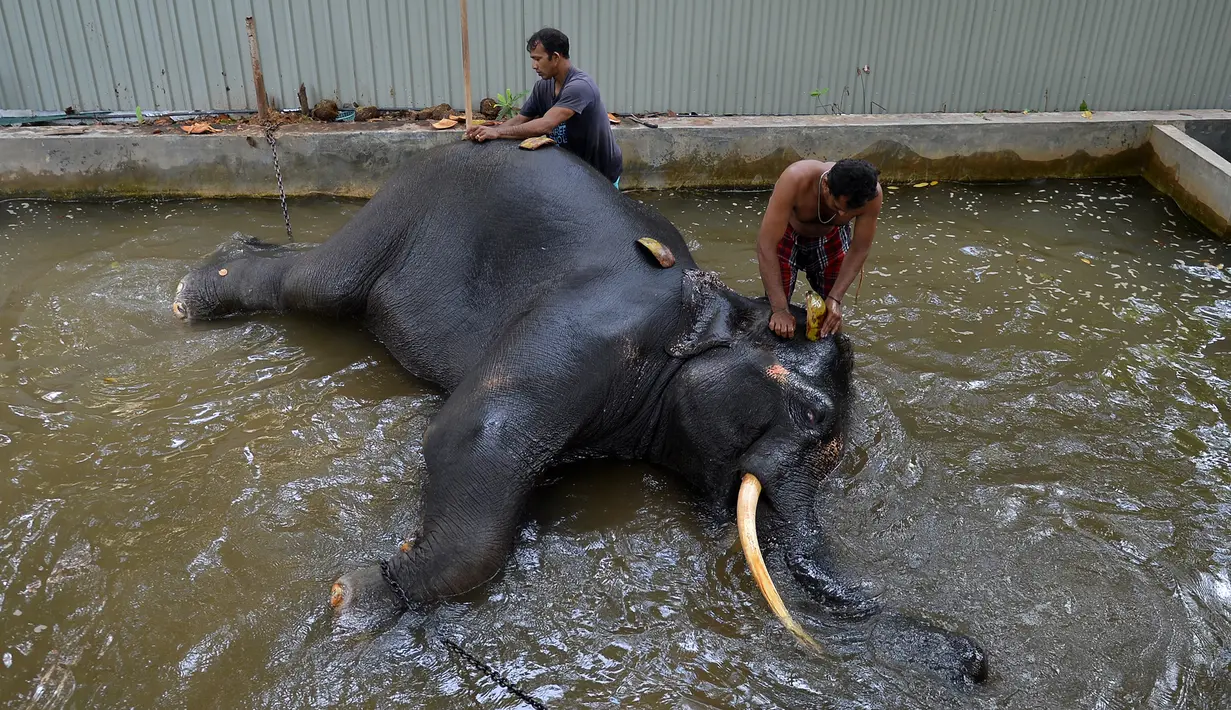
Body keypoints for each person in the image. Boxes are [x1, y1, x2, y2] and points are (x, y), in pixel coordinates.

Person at [464, 27, 623, 186]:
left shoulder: (580, 87)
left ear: (555, 57)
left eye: (538, 59)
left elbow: (546, 125)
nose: (534, 65)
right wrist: (487, 134)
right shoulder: (542, 87)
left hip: (600, 173)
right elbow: (520, 119)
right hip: (573, 170)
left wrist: (498, 133)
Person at [755, 158, 882, 339]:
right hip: (787, 235)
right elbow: (766, 245)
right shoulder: (795, 179)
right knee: (777, 317)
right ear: (825, 185)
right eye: (837, 207)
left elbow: (860, 249)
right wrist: (780, 309)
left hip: (832, 237)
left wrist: (835, 298)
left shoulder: (872, 195)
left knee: (830, 319)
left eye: (850, 213)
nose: (843, 215)